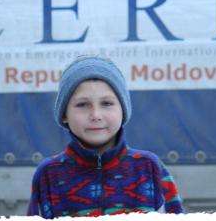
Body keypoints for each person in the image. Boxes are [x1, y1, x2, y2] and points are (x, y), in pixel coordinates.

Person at [27, 56, 185, 218]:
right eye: (82, 105)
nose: (96, 115)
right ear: (64, 114)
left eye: (107, 104)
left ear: (123, 109)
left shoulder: (149, 167)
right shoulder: (48, 173)